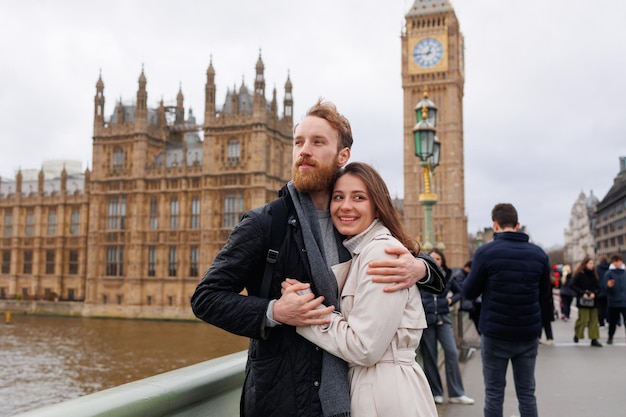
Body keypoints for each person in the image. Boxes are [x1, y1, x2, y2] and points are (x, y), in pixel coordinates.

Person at [190, 99, 445, 417]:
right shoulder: (267, 223)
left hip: (350, 399)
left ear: (343, 155)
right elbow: (205, 298)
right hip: (283, 401)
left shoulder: (352, 224)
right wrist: (275, 310)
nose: (304, 151)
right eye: (298, 142)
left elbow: (431, 267)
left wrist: (420, 267)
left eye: (317, 142)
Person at [292, 162, 437, 416]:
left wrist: (306, 313)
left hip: (384, 394)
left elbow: (364, 347)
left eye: (358, 197)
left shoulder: (381, 253)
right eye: (338, 197)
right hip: (379, 386)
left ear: (377, 205)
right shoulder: (362, 251)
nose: (345, 206)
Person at [463, 203, 552, 417]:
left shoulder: (485, 253)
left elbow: (468, 292)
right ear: (518, 224)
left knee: (494, 393)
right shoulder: (539, 255)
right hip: (528, 332)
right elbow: (545, 297)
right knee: (527, 393)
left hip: (495, 333)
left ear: (494, 225)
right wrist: (541, 327)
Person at [420, 248, 475, 406]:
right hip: (427, 319)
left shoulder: (448, 275)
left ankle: (456, 393)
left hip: (443, 317)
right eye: (432, 258)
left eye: (438, 258)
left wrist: (450, 301)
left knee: (451, 352)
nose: (435, 261)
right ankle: (436, 392)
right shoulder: (421, 276)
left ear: (442, 261)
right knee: (430, 356)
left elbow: (461, 292)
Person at [570, 256, 602, 347]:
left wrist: (594, 293)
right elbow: (572, 285)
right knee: (583, 319)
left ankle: (594, 338)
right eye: (590, 263)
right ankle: (577, 334)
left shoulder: (594, 274)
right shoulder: (579, 274)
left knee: (593, 320)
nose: (592, 265)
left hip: (593, 300)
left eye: (593, 263)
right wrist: (582, 293)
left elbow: (598, 287)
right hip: (582, 301)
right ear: (585, 264)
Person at [602, 253, 626, 345]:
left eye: (618, 261)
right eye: (614, 262)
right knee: (612, 322)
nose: (616, 263)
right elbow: (605, 287)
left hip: (624, 301)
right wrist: (608, 285)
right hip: (613, 302)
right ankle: (610, 337)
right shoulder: (609, 273)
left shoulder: (624, 272)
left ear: (621, 261)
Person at [453, 260, 481, 334]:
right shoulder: (459, 275)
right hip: (465, 302)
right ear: (467, 267)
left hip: (470, 300)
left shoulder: (464, 274)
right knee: (477, 310)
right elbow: (463, 289)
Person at [596, 255, 610, 327]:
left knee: (600, 307)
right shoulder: (609, 267)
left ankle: (601, 322)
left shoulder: (597, 268)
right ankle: (608, 320)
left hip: (600, 290)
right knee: (608, 306)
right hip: (608, 289)